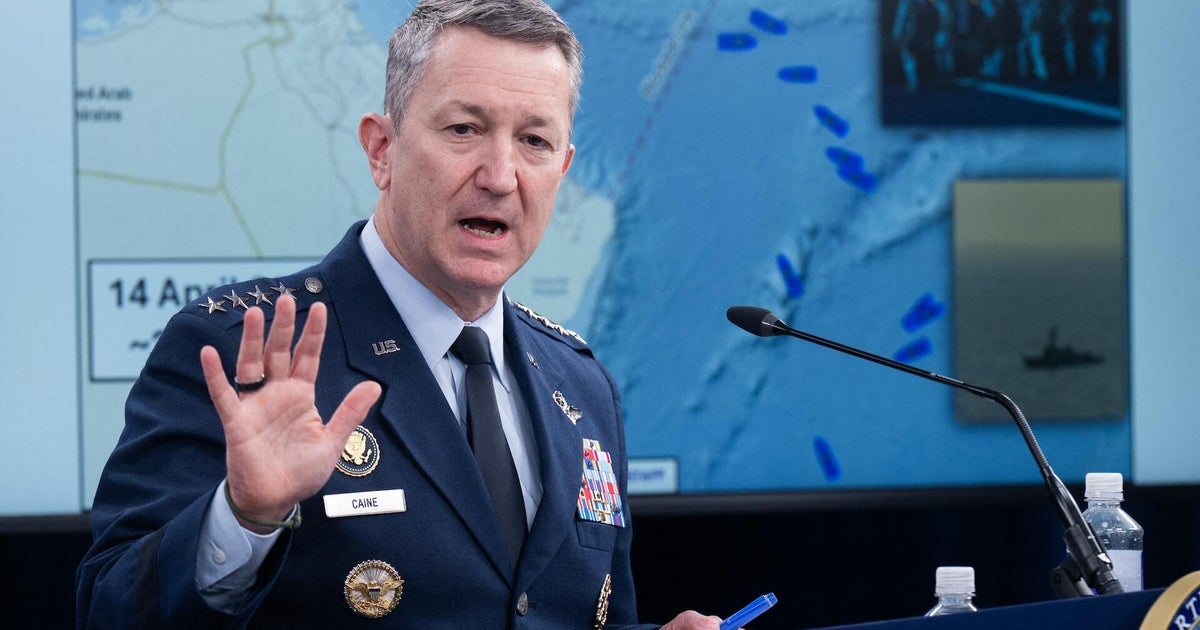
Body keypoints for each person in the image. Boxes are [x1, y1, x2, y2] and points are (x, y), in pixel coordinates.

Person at [75, 1, 722, 627]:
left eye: (534, 141)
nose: (501, 175)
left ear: (564, 170)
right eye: (464, 129)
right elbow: (108, 611)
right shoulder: (245, 348)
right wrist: (244, 517)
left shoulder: (581, 385)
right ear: (382, 149)